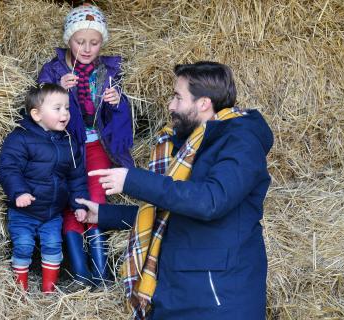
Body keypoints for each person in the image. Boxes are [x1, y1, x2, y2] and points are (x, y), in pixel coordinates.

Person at [75, 61, 273, 319]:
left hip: (218, 299)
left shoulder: (240, 141)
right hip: (179, 292)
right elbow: (170, 213)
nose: (170, 105)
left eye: (178, 97)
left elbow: (209, 201)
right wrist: (104, 215)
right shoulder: (188, 144)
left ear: (203, 103)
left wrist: (133, 180)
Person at [37, 3, 134, 288]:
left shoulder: (108, 70)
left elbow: (120, 115)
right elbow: (37, 108)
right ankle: (80, 271)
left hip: (96, 145)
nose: (87, 48)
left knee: (95, 198)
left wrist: (117, 103)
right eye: (81, 42)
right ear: (69, 40)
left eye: (95, 42)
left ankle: (101, 271)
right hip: (65, 146)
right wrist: (56, 88)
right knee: (71, 201)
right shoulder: (54, 69)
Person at [0, 83, 90, 293]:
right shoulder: (20, 138)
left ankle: (49, 289)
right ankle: (20, 289)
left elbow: (76, 177)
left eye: (67, 108)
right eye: (57, 108)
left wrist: (79, 204)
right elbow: (8, 167)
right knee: (23, 246)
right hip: (24, 211)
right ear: (37, 114)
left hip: (52, 213)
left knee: (53, 246)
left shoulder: (69, 142)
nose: (65, 113)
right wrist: (19, 192)